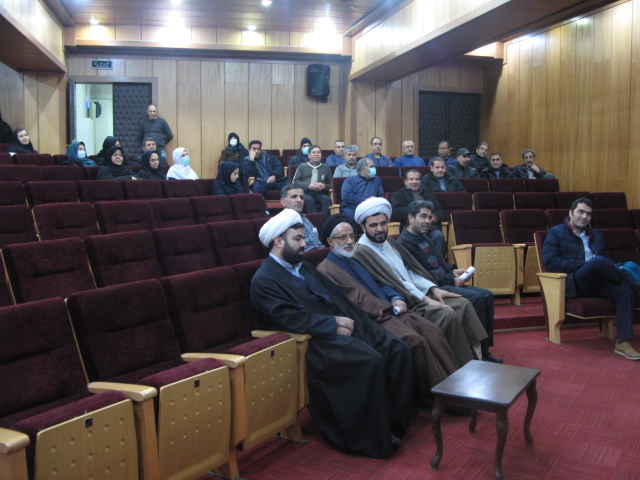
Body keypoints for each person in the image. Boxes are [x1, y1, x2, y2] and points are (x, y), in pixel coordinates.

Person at [250, 209, 412, 458]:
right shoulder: (264, 280)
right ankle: (369, 437)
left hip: (339, 329)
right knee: (370, 361)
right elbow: (287, 319)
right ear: (278, 241)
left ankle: (394, 423)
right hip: (313, 341)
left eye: (303, 238)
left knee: (397, 348)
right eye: (298, 239)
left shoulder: (304, 267)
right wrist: (332, 323)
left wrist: (360, 322)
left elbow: (338, 299)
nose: (304, 244)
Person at [316, 216, 459, 403]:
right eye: (343, 237)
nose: (350, 241)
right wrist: (387, 307)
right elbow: (355, 300)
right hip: (376, 319)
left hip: (393, 310)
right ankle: (440, 397)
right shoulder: (326, 269)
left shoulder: (353, 259)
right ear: (330, 241)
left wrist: (395, 297)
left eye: (352, 236)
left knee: (433, 331)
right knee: (416, 341)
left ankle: (455, 386)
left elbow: (380, 282)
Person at [352, 198, 488, 367]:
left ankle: (479, 358)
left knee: (463, 304)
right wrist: (426, 299)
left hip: (420, 292)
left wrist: (434, 289)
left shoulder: (389, 241)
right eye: (373, 225)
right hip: (406, 302)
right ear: (363, 227)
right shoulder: (362, 252)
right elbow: (396, 282)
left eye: (383, 223)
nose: (380, 229)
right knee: (447, 315)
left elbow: (410, 271)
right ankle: (458, 366)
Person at [398, 200, 502, 363]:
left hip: (445, 279)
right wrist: (452, 280)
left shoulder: (425, 236)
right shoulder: (404, 243)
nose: (427, 221)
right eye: (423, 216)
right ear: (411, 218)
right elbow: (422, 275)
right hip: (433, 287)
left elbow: (438, 262)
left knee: (487, 295)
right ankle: (474, 351)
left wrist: (453, 270)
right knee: (476, 298)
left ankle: (484, 349)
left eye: (430, 217)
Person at [542, 198, 640, 360]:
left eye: (588, 214)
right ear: (571, 213)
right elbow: (552, 263)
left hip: (599, 283)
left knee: (624, 292)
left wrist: (599, 264)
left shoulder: (597, 235)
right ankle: (635, 285)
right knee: (598, 262)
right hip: (575, 283)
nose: (584, 216)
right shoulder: (556, 233)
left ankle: (623, 342)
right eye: (580, 212)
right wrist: (587, 264)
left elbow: (606, 260)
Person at [390, 168, 445, 256]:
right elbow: (396, 213)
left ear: (420, 181)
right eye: (411, 179)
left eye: (417, 179)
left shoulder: (428, 193)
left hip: (430, 228)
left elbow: (439, 210)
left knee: (438, 235)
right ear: (405, 181)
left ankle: (438, 262)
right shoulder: (398, 194)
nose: (414, 182)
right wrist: (417, 213)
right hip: (410, 228)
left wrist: (435, 216)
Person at [280, 184, 324, 251]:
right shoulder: (282, 222)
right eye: (294, 197)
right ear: (283, 202)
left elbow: (317, 243)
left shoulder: (304, 218)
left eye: (301, 197)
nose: (299, 200)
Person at [292, 145, 332, 216]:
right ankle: (314, 221)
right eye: (314, 152)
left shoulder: (326, 167)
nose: (316, 154)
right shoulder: (302, 166)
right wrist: (308, 186)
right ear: (309, 155)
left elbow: (331, 184)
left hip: (320, 193)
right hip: (305, 193)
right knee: (309, 200)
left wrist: (324, 186)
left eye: (318, 152)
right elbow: (295, 182)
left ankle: (325, 221)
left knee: (327, 200)